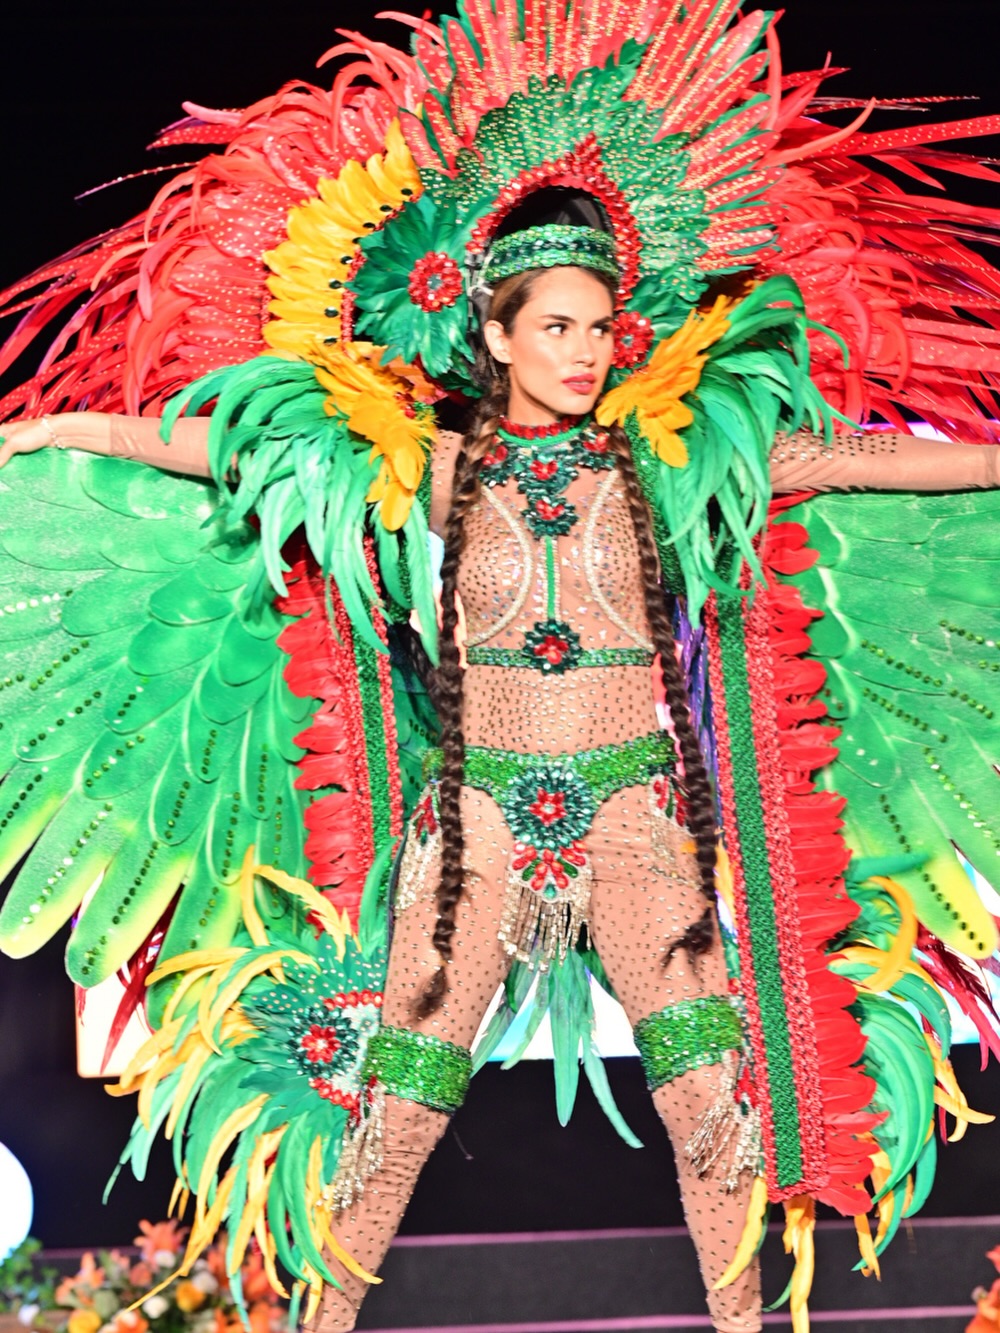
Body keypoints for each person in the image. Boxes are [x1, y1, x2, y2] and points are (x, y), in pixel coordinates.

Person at [2, 4, 1000, 1331]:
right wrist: (51, 433)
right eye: (560, 327)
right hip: (474, 829)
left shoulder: (667, 460)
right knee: (398, 1110)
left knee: (710, 1101)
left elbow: (876, 459)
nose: (587, 350)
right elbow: (228, 450)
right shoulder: (434, 468)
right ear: (498, 330)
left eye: (602, 327)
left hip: (635, 819)